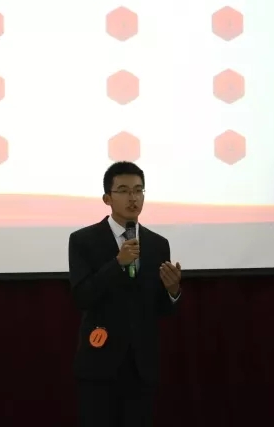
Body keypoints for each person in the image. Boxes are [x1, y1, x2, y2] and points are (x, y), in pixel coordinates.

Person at [68, 161, 182, 427]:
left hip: (141, 366)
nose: (133, 198)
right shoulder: (83, 240)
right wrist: (117, 264)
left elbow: (161, 309)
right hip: (100, 363)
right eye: (123, 190)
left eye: (138, 190)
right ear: (107, 198)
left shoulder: (157, 244)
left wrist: (173, 291)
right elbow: (82, 297)